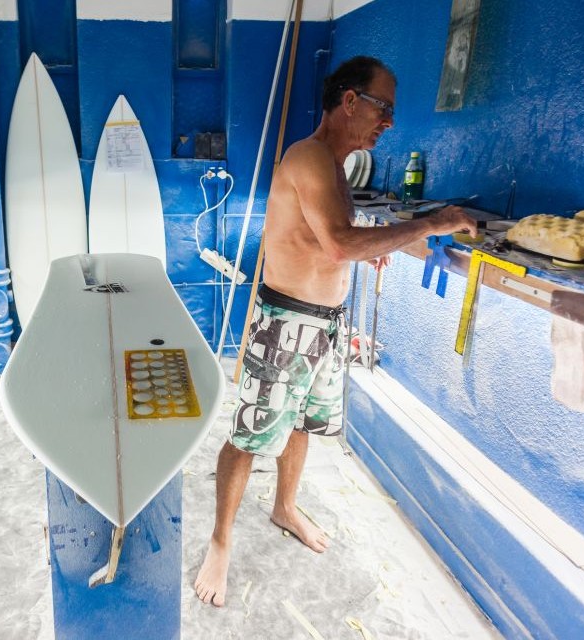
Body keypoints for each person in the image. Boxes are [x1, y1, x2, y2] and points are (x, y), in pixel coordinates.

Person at [194, 56, 478, 607]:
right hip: (285, 324)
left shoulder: (337, 167)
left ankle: (284, 506)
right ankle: (220, 543)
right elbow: (340, 242)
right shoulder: (310, 157)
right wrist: (433, 221)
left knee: (302, 423)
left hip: (324, 324)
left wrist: (364, 255)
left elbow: (331, 241)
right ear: (350, 101)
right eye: (384, 107)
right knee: (250, 435)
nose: (389, 122)